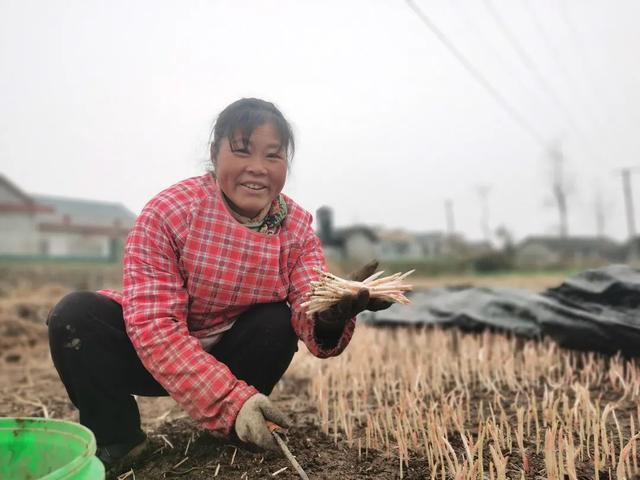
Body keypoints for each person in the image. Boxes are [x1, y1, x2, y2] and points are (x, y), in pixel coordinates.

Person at [47, 97, 391, 471]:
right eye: (242, 152)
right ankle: (118, 439)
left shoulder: (295, 228)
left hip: (233, 354)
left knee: (277, 319)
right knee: (75, 316)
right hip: (151, 354)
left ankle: (236, 430)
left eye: (273, 156)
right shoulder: (169, 212)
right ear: (214, 153)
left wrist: (330, 313)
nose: (257, 169)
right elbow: (153, 325)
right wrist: (229, 401)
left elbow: (309, 295)